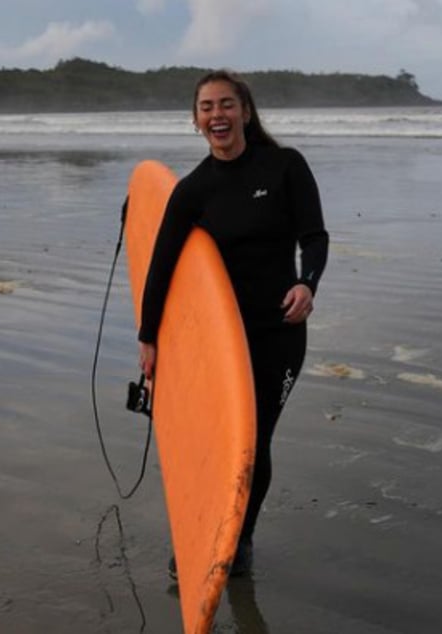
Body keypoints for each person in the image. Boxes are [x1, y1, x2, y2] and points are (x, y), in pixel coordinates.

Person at [138, 69, 329, 577]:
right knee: (216, 437)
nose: (216, 115)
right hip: (219, 342)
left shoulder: (285, 166)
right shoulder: (193, 191)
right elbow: (161, 267)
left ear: (245, 111)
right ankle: (205, 532)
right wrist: (149, 338)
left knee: (254, 439)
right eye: (206, 107)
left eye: (226, 104)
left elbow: (315, 236)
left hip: (279, 334)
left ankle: (238, 539)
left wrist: (307, 283)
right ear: (195, 120)